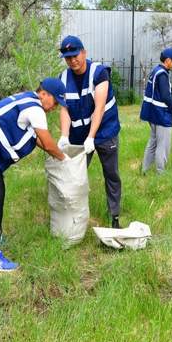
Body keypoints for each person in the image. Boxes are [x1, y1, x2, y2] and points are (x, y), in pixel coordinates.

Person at [0, 78, 67, 272]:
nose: (55, 107)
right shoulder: (35, 109)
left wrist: (57, 155)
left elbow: (37, 141)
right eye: (56, 102)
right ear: (44, 94)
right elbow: (47, 142)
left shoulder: (28, 100)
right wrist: (65, 159)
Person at [56, 35, 123, 228]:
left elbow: (99, 107)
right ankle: (73, 217)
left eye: (75, 55)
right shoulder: (64, 77)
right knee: (73, 174)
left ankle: (114, 216)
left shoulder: (99, 72)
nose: (72, 60)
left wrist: (92, 137)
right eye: (68, 57)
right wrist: (64, 136)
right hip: (78, 136)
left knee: (111, 174)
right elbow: (65, 109)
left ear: (84, 52)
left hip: (104, 131)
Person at [140, 47, 172, 174]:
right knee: (163, 144)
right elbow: (166, 97)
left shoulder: (156, 70)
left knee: (153, 142)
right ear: (168, 61)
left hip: (152, 113)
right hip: (160, 114)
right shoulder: (162, 75)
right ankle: (161, 173)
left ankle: (144, 170)